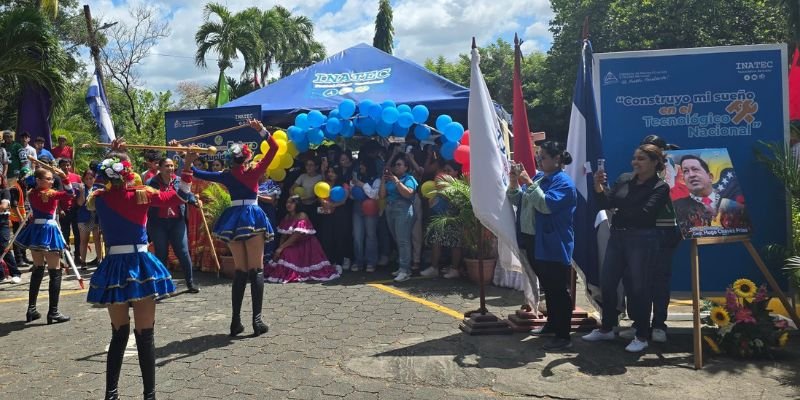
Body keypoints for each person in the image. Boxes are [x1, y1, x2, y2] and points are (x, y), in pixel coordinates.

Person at [86, 142, 195, 400]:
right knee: (145, 335)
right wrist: (187, 165)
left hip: (114, 266)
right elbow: (180, 196)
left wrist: (110, 155)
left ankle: (111, 394)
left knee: (118, 334)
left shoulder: (99, 198)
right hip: (140, 265)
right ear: (128, 171)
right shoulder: (141, 194)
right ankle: (150, 396)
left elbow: (97, 183)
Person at [186, 119, 275, 337]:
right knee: (257, 269)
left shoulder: (226, 175)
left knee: (241, 270)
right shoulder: (253, 172)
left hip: (233, 219)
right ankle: (257, 320)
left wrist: (186, 157)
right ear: (246, 157)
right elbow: (275, 148)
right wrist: (261, 130)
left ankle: (235, 322)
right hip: (252, 217)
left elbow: (198, 173)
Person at [582, 143, 670, 353]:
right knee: (608, 282)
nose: (635, 162)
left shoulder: (660, 187)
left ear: (655, 162)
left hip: (642, 239)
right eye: (634, 158)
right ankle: (608, 327)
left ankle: (641, 334)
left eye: (641, 159)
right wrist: (598, 187)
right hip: (618, 236)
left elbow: (646, 213)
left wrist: (619, 208)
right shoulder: (623, 179)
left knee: (640, 288)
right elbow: (606, 203)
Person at [509, 141, 577, 351]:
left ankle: (563, 335)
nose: (538, 160)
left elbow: (546, 206)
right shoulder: (540, 177)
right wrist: (514, 182)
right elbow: (518, 199)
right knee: (548, 287)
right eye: (538, 156)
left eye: (543, 157)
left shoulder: (563, 183)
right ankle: (552, 324)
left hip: (552, 244)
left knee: (557, 290)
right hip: (533, 241)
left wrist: (528, 181)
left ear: (557, 160)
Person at [616, 135, 681, 344]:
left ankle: (659, 324)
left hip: (665, 231)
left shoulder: (676, 169)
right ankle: (638, 324)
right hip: (638, 233)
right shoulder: (638, 175)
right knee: (634, 280)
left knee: (659, 279)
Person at [16, 167, 74, 324]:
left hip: (35, 230)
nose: (51, 181)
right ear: (39, 180)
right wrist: (65, 177)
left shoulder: (32, 193)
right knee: (55, 271)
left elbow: (28, 181)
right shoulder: (52, 194)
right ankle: (53, 312)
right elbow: (70, 194)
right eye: (47, 178)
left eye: (51, 178)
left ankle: (31, 309)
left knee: (38, 269)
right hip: (48, 229)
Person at [147, 158, 199, 293]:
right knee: (161, 253)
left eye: (171, 166)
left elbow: (187, 194)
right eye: (166, 166)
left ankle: (190, 282)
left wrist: (194, 201)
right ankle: (162, 285)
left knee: (183, 251)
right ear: (159, 167)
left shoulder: (178, 180)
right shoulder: (151, 183)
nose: (170, 168)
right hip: (158, 223)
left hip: (177, 222)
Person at [266, 195, 341, 283]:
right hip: (294, 244)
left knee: (287, 253)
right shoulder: (287, 217)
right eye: (287, 202)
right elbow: (283, 236)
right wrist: (279, 250)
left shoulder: (302, 215)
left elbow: (296, 236)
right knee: (283, 254)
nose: (288, 204)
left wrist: (281, 248)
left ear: (297, 204)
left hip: (307, 245)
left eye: (292, 202)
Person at [672, 155, 749, 233]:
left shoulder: (731, 204)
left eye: (695, 169)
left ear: (710, 177)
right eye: (686, 171)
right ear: (684, 180)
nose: (691, 175)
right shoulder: (678, 206)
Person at [380, 152, 419, 282]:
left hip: (404, 209)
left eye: (399, 165)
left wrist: (397, 182)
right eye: (394, 165)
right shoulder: (390, 179)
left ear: (406, 167)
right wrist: (383, 180)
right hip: (390, 208)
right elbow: (382, 195)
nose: (396, 167)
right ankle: (402, 267)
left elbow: (408, 194)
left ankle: (405, 270)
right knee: (397, 239)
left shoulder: (409, 179)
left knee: (403, 241)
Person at [422, 160, 463, 279]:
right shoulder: (439, 183)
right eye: (444, 170)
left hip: (454, 219)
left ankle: (455, 269)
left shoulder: (459, 184)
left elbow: (457, 202)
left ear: (456, 172)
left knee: (455, 244)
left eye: (448, 171)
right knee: (436, 241)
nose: (445, 173)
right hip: (440, 217)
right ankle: (434, 268)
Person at [350, 156, 381, 273]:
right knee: (357, 236)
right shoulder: (357, 177)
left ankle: (371, 261)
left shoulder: (376, 180)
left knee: (370, 235)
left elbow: (374, 194)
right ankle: (358, 261)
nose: (361, 167)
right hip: (357, 207)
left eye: (363, 165)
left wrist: (362, 185)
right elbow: (352, 195)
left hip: (371, 209)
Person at [316, 167, 351, 270]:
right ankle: (329, 261)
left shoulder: (343, 185)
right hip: (326, 215)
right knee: (327, 238)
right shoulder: (324, 183)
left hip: (340, 214)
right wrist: (323, 202)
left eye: (333, 172)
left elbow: (344, 200)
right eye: (329, 172)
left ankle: (339, 262)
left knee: (339, 238)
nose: (330, 174)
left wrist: (332, 205)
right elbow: (319, 193)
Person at [75, 169, 102, 270]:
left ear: (94, 179)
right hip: (84, 217)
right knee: (84, 240)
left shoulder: (98, 189)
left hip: (96, 217)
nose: (89, 181)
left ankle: (99, 260)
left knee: (97, 239)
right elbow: (80, 203)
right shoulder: (81, 189)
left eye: (91, 178)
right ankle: (83, 261)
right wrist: (82, 192)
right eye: (87, 179)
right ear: (83, 180)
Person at [57, 158, 82, 263]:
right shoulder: (57, 178)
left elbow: (81, 192)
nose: (66, 167)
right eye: (63, 165)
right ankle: (67, 256)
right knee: (65, 234)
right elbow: (56, 195)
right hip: (64, 210)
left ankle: (78, 255)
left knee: (78, 234)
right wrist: (59, 209)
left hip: (76, 209)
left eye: (67, 165)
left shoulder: (77, 177)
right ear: (60, 166)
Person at [290, 157, 323, 226]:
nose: (308, 167)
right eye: (307, 165)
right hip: (302, 206)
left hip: (314, 206)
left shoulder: (320, 177)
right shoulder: (303, 176)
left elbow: (317, 195)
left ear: (316, 167)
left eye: (311, 165)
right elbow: (291, 189)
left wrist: (304, 198)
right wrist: (296, 197)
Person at [257, 174, 281, 260]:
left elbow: (271, 200)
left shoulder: (270, 183)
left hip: (267, 211)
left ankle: (268, 259)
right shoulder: (253, 182)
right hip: (255, 213)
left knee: (268, 233)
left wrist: (256, 196)